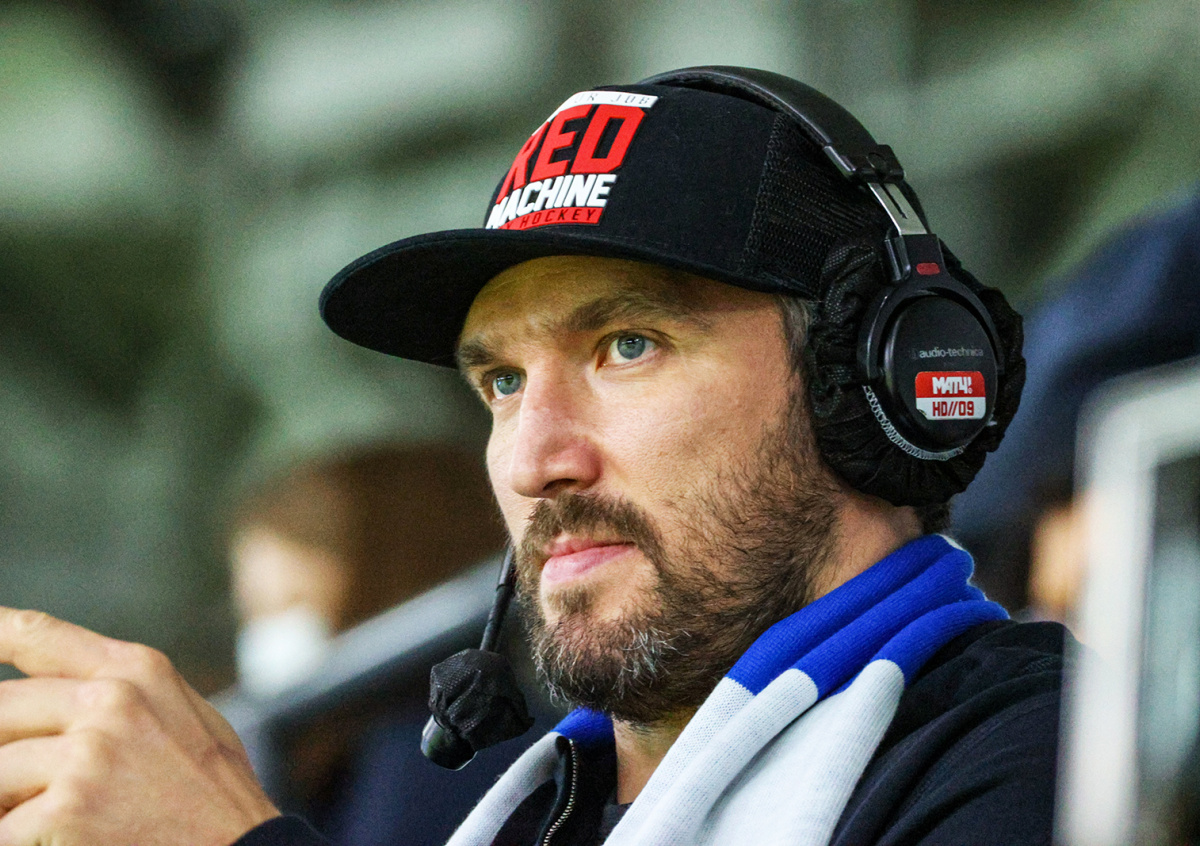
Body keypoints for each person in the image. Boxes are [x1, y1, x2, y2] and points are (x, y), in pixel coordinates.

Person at [0, 67, 1064, 846]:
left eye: (627, 346)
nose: (532, 462)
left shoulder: (1053, 760)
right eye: (503, 382)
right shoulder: (532, 811)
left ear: (869, 381)